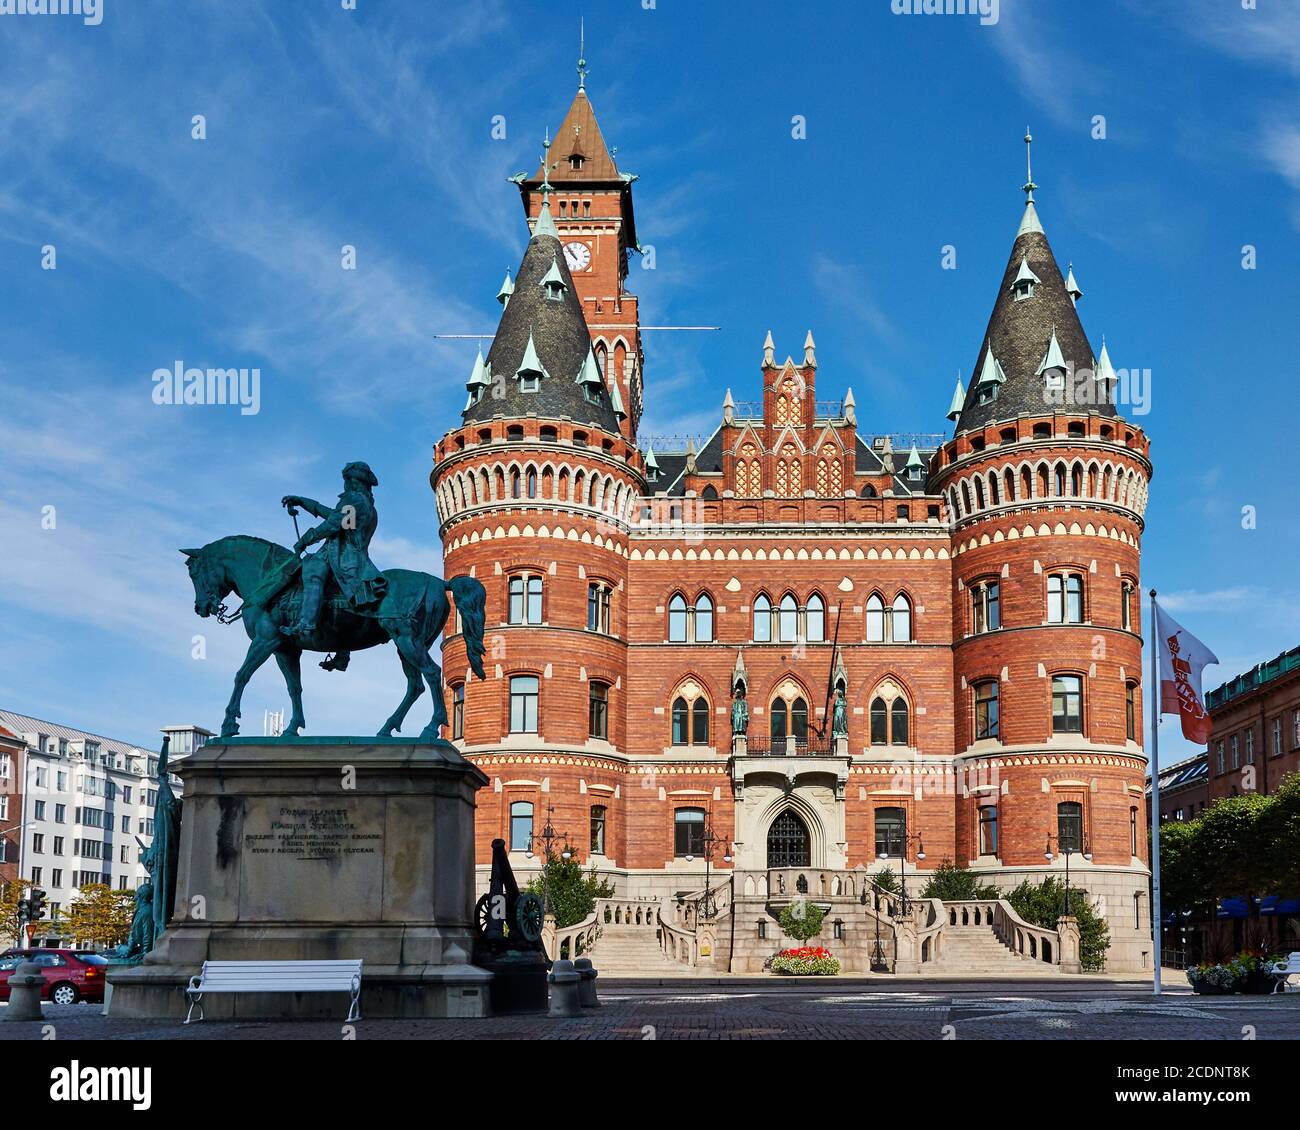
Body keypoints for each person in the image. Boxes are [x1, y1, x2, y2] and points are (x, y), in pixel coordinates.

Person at [280, 461, 388, 641]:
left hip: (343, 556)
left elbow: (334, 524)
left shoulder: (353, 499)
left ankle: (305, 624)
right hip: (354, 556)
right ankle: (342, 652)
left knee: (312, 572)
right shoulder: (366, 505)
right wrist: (303, 502)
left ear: (353, 481)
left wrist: (305, 541)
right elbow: (335, 516)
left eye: (347, 479)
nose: (345, 484)